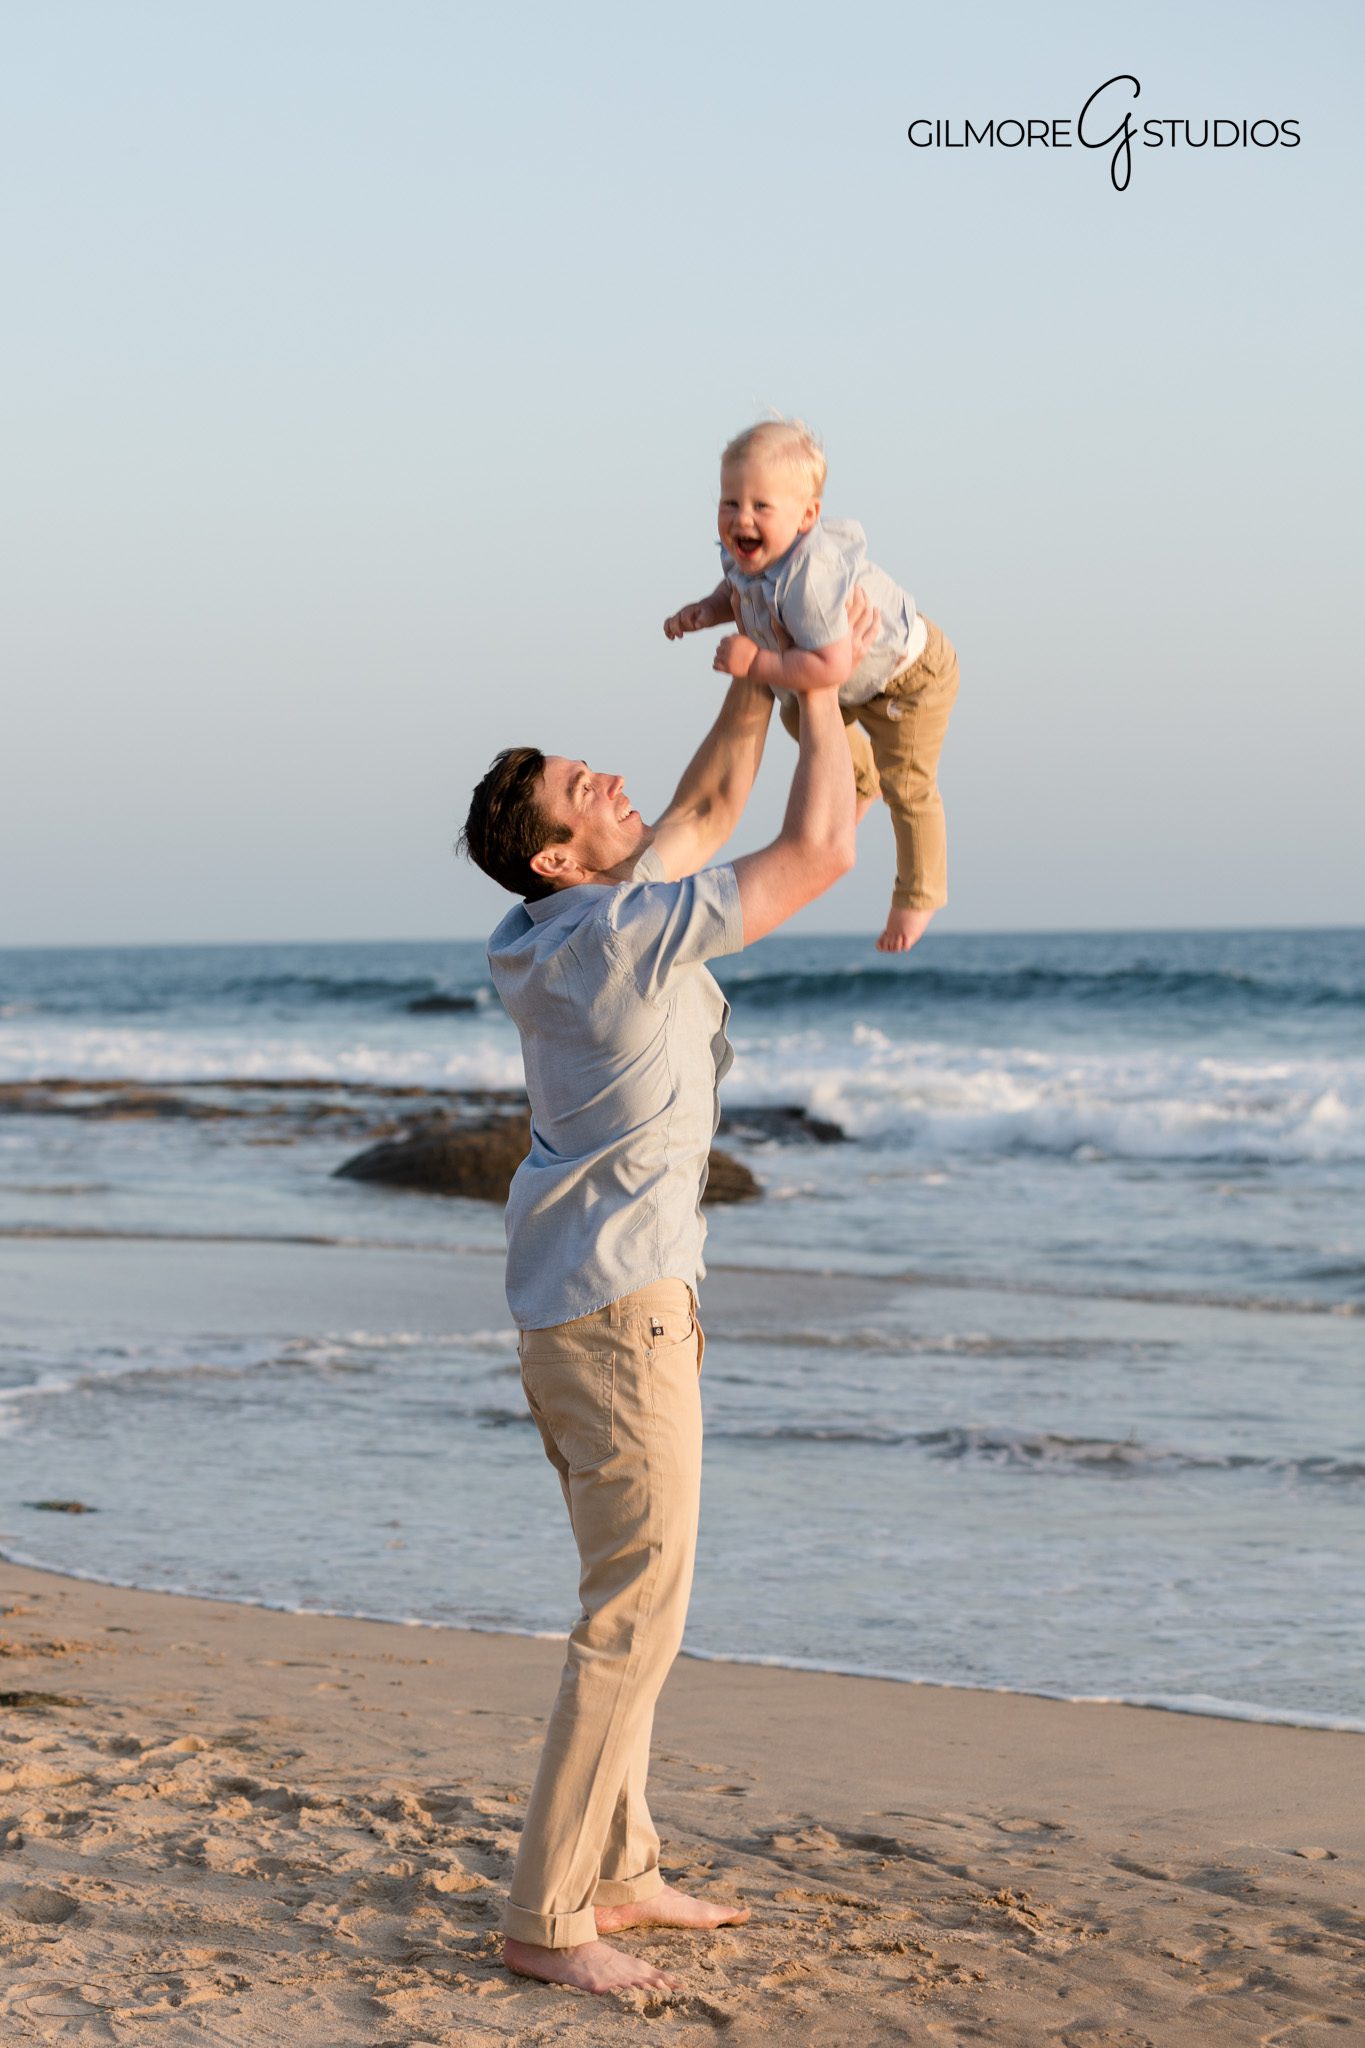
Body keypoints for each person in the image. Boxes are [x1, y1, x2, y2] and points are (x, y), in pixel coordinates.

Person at [458, 591, 875, 1995]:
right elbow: (818, 846)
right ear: (560, 851)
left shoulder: (548, 935)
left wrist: (752, 659)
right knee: (633, 1618)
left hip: (574, 1314)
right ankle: (544, 1919)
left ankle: (621, 1869)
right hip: (626, 1319)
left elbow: (702, 797)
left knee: (624, 1599)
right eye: (590, 787)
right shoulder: (620, 939)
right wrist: (817, 681)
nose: (616, 781)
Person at [664, 416, 960, 956]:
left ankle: (920, 893)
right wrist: (703, 612)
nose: (740, 518)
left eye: (760, 506)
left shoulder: (812, 580)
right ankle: (857, 784)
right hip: (855, 682)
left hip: (907, 679)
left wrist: (757, 663)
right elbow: (735, 588)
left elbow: (828, 667)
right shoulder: (742, 551)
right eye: (731, 502)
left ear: (807, 517)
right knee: (797, 716)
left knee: (909, 785)